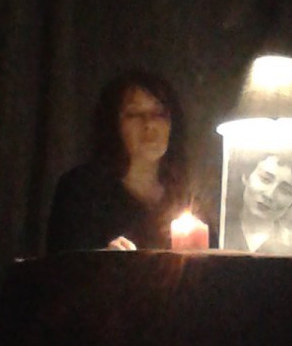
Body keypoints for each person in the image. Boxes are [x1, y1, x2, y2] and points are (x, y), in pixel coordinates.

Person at [46, 70, 189, 253]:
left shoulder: (184, 196)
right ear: (114, 124)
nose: (149, 124)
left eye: (159, 113)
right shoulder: (81, 190)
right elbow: (59, 263)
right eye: (134, 114)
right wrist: (106, 260)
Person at [223, 148, 292, 257]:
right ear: (246, 176)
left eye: (285, 190)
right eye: (265, 179)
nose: (269, 195)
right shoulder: (218, 231)